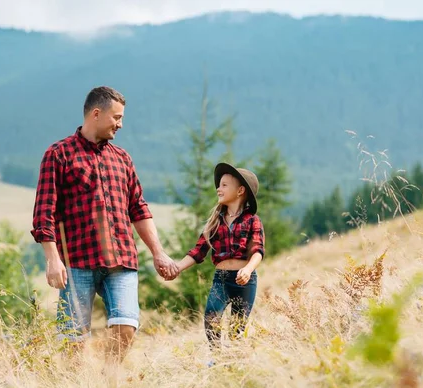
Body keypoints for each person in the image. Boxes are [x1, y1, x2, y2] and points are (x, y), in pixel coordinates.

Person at [30, 86, 179, 361]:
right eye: (117, 117)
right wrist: (53, 259)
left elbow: (139, 209)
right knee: (72, 342)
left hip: (121, 259)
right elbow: (43, 213)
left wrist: (158, 252)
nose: (120, 125)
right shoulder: (58, 155)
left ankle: (107, 383)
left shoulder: (122, 158)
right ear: (96, 114)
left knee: (126, 327)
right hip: (76, 262)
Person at [172, 162, 265, 358]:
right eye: (219, 185)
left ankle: (233, 363)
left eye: (224, 185)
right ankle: (216, 356)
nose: (218, 189)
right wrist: (178, 267)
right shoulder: (215, 222)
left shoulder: (252, 220)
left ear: (240, 191)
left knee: (236, 328)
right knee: (211, 316)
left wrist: (248, 270)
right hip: (221, 279)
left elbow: (257, 251)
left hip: (245, 280)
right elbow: (198, 251)